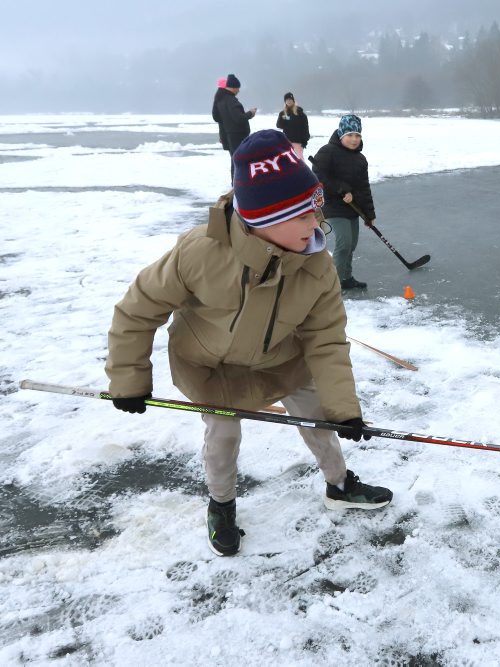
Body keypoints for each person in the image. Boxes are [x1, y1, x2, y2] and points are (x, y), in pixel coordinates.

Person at [105, 129, 393, 557]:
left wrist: (344, 410)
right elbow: (138, 308)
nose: (315, 225)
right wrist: (128, 378)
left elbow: (326, 340)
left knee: (318, 418)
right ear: (264, 222)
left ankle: (339, 484)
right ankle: (221, 504)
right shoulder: (199, 253)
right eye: (301, 217)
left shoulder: (317, 267)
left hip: (280, 359)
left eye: (314, 211)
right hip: (212, 365)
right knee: (222, 437)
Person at [310, 114, 375, 290]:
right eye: (350, 135)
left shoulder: (360, 159)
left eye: (357, 135)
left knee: (351, 244)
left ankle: (346, 278)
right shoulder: (328, 151)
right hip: (332, 205)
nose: (354, 139)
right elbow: (317, 174)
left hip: (352, 208)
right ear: (341, 135)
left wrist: (369, 214)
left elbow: (364, 188)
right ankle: (335, 284)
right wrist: (341, 189)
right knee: (344, 242)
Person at [215, 73, 258, 173]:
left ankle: (235, 183)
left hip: (230, 135)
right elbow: (239, 118)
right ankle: (238, 183)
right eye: (238, 88)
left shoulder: (221, 100)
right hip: (237, 136)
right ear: (233, 88)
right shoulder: (231, 101)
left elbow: (218, 118)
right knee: (240, 161)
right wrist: (251, 113)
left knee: (235, 161)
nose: (239, 90)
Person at [275, 92, 310, 159]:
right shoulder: (282, 113)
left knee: (299, 160)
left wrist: (305, 140)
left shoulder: (300, 113)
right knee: (288, 160)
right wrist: (282, 118)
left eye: (290, 99)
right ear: (285, 101)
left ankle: (302, 170)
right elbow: (279, 125)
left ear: (293, 100)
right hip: (287, 141)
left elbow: (305, 127)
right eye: (287, 100)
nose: (289, 101)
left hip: (298, 142)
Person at [210, 77, 229, 153]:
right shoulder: (224, 97)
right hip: (227, 130)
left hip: (223, 130)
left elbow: (216, 117)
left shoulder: (218, 97)